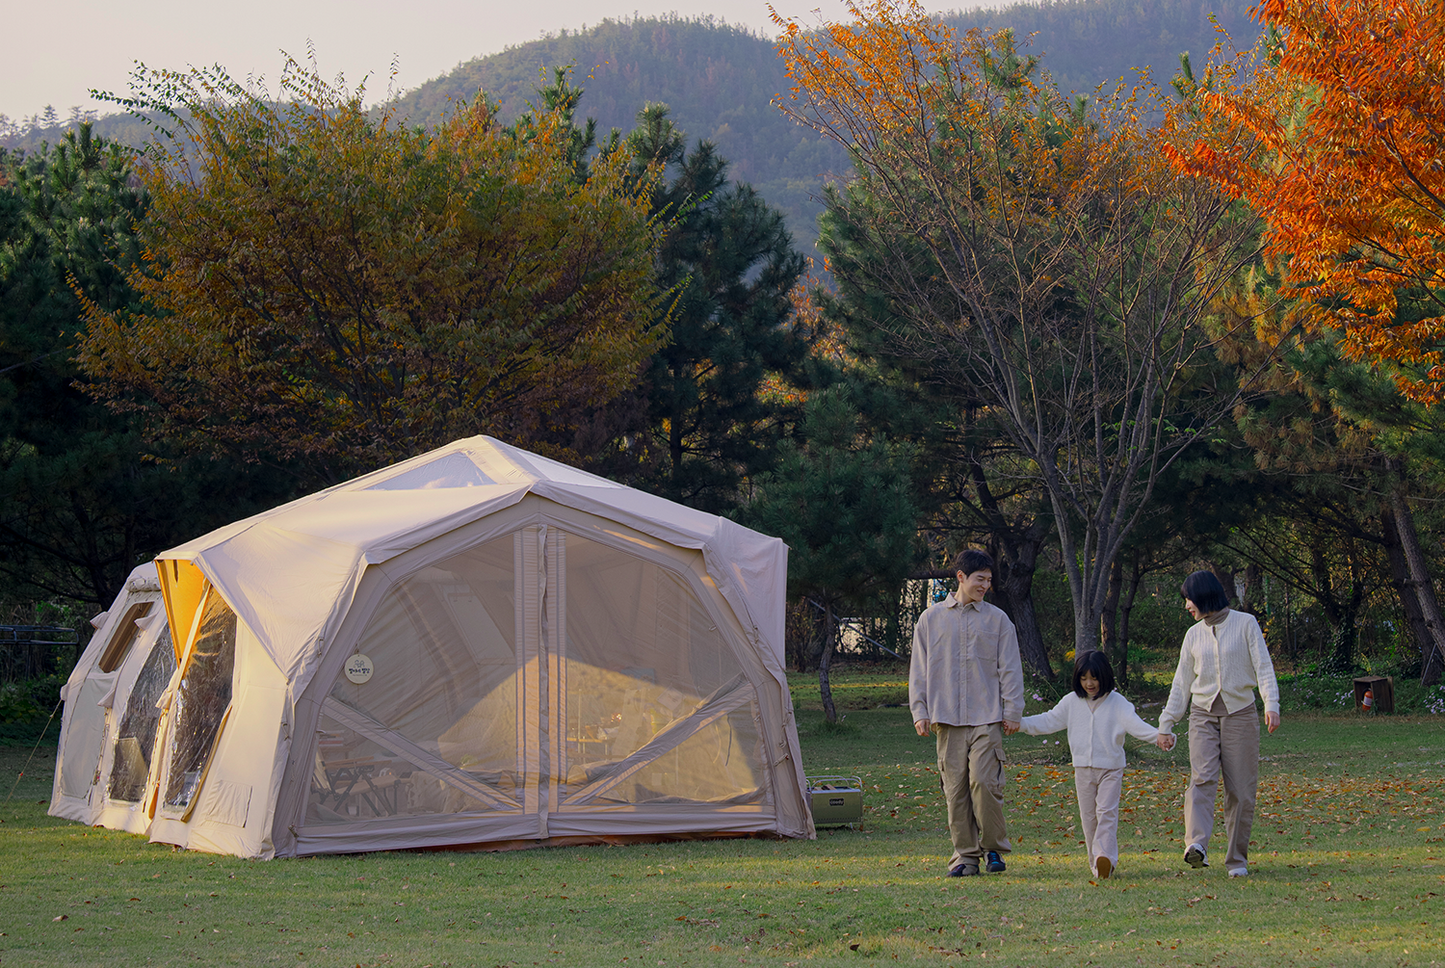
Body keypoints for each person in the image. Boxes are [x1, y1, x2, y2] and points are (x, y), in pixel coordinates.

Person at [1157, 570, 1281, 878]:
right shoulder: (1193, 635)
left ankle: (1236, 860)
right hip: (1202, 714)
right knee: (1202, 779)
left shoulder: (1245, 624)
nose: (1186, 605)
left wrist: (1272, 704)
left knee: (1240, 790)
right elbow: (1181, 682)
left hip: (1240, 713)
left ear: (1203, 596)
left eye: (1188, 598)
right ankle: (1196, 845)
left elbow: (1263, 666)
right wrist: (1166, 722)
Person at [909, 549, 1024, 877]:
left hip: (987, 718)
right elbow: (919, 670)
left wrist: (1012, 710)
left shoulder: (997, 620)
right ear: (961, 577)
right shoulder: (930, 620)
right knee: (955, 790)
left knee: (984, 784)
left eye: (989, 580)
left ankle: (993, 850)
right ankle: (965, 857)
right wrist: (920, 710)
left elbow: (1010, 670)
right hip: (946, 718)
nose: (985, 585)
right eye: (980, 579)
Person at [1020, 650, 1169, 879]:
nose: (1089, 683)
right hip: (1082, 768)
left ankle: (1106, 857)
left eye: (1094, 678)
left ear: (1104, 676)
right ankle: (1097, 864)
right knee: (1089, 817)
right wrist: (1018, 724)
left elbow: (1135, 724)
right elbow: (1047, 721)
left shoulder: (1118, 703)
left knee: (1106, 813)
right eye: (1083, 678)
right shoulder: (1071, 702)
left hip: (1110, 768)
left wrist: (1158, 736)